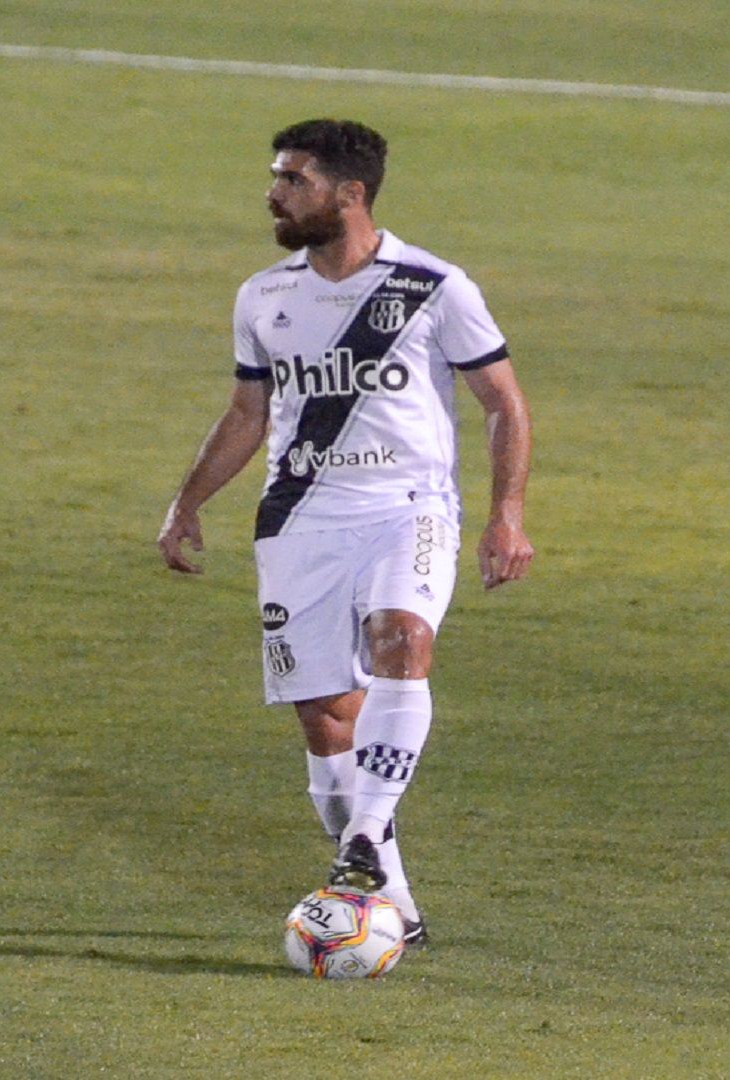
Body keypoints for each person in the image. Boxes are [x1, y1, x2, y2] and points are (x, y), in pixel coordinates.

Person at [155, 118, 534, 945]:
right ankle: (390, 898)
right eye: (277, 177)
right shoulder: (265, 295)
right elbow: (248, 412)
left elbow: (503, 401)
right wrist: (187, 503)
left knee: (402, 636)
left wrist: (506, 515)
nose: (274, 194)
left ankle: (363, 836)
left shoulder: (433, 287)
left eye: (293, 180)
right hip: (299, 521)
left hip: (409, 508)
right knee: (327, 717)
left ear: (349, 193)